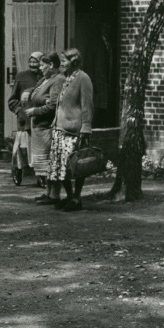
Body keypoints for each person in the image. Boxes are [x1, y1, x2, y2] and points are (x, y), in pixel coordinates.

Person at [43, 48, 94, 212]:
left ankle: (77, 198)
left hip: (73, 130)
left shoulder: (83, 78)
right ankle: (70, 197)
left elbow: (87, 105)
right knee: (61, 166)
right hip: (60, 129)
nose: (62, 64)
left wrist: (86, 127)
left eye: (64, 61)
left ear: (74, 61)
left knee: (75, 165)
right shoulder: (67, 78)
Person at [24, 52, 64, 194]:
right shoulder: (45, 79)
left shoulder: (57, 80)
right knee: (43, 164)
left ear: (51, 65)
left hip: (47, 126)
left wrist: (35, 111)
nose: (40, 68)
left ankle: (53, 194)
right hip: (39, 128)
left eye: (42, 65)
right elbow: (36, 92)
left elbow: (53, 105)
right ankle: (48, 192)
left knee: (49, 162)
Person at [7, 51, 43, 185]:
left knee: (39, 149)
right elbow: (12, 100)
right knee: (22, 149)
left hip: (40, 119)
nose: (33, 65)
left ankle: (41, 176)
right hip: (24, 120)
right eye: (31, 62)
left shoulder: (45, 77)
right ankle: (18, 171)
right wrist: (18, 111)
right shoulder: (22, 76)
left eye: (36, 62)